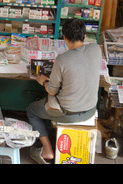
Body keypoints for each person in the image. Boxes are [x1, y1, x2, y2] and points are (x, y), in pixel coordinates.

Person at [26, 18, 102, 164]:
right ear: (84, 37)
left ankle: (47, 150)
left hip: (69, 112)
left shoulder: (63, 59)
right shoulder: (96, 49)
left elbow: (52, 91)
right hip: (91, 109)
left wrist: (43, 80)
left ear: (64, 38)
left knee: (31, 110)